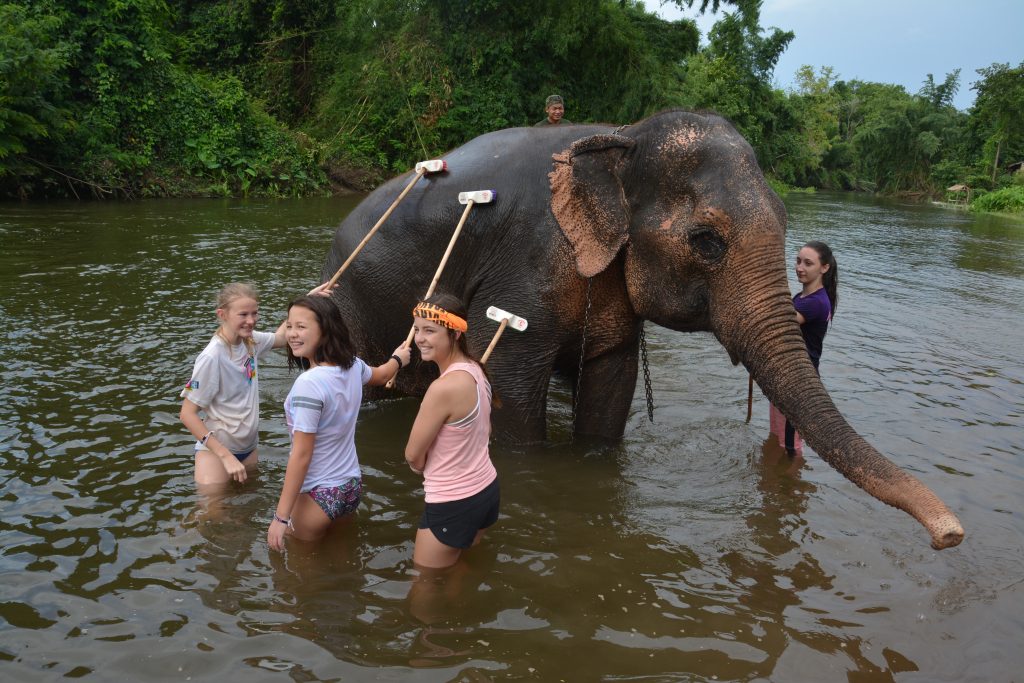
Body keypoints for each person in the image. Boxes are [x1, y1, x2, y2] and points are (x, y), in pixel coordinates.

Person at [267, 295, 411, 551]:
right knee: (343, 556)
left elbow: (301, 454)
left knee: (301, 575)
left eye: (301, 327)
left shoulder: (309, 384)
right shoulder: (352, 365)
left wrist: (280, 517)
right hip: (350, 487)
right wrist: (399, 359)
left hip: (318, 493)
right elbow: (382, 375)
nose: (292, 334)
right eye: (289, 326)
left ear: (325, 330)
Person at [180, 282, 328, 487]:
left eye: (254, 313)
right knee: (212, 515)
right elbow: (187, 414)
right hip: (216, 454)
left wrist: (306, 302)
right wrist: (225, 456)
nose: (251, 321)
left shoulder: (250, 341)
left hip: (248, 448)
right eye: (243, 315)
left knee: (246, 511)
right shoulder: (212, 357)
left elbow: (280, 338)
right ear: (222, 314)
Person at [404, 294, 500, 569]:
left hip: (453, 501)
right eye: (417, 329)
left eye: (430, 331)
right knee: (459, 570)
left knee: (424, 587)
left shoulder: (443, 388)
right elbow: (485, 430)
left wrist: (420, 466)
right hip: (486, 490)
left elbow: (412, 455)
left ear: (455, 333)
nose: (419, 338)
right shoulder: (476, 369)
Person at [770, 240, 839, 454]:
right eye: (798, 261)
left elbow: (778, 323)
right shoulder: (803, 297)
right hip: (787, 377)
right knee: (776, 438)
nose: (800, 268)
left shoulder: (815, 302)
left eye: (808, 263)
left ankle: (791, 485)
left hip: (798, 382)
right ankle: (776, 482)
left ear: (824, 268)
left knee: (790, 447)